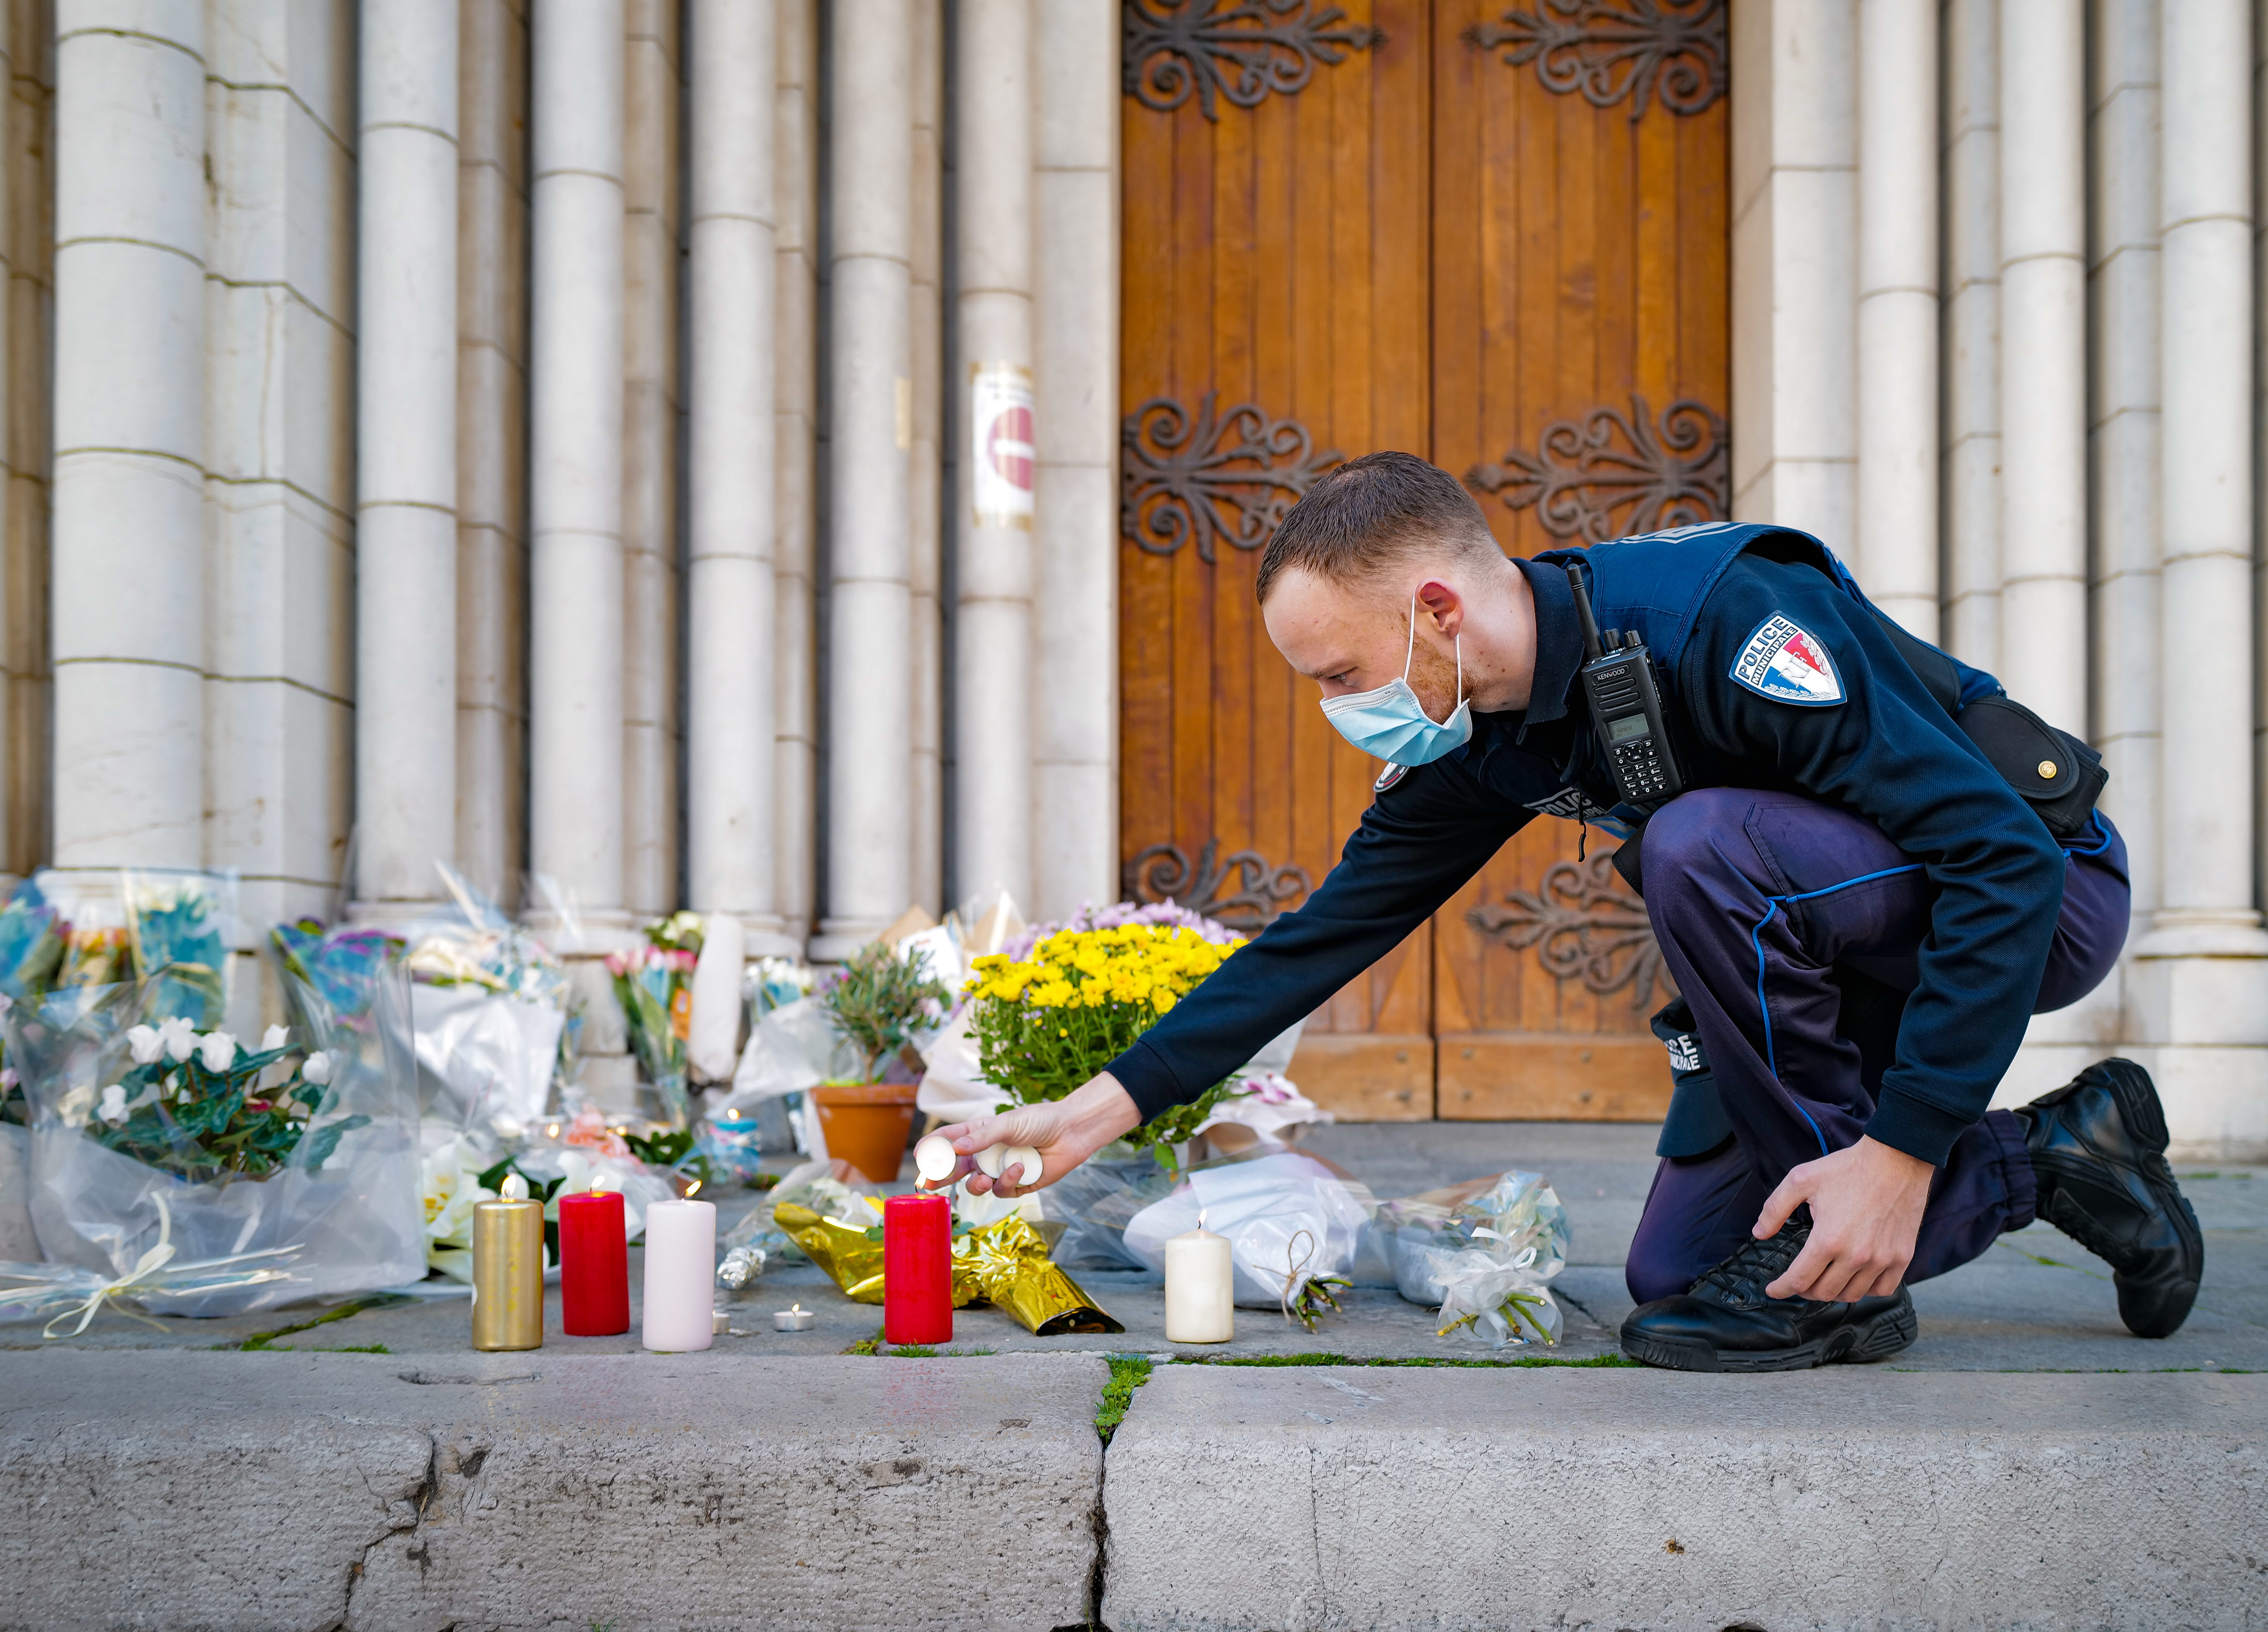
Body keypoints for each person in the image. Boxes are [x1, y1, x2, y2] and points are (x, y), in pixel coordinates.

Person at [933, 452, 2202, 1371]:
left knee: (1694, 842)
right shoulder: (1475, 734)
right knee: (1680, 1284)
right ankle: (2057, 1160)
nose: (1334, 709)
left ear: (1435, 612)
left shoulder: (1726, 617)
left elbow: (1999, 859)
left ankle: (1842, 1265)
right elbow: (1322, 937)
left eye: (1338, 674)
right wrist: (1093, 1114)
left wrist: (1905, 1149)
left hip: (2034, 892)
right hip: (1821, 941)